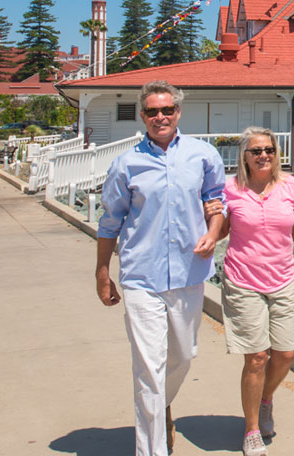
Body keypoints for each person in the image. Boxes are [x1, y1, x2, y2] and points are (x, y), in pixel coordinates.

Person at [95, 81, 226, 456]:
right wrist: (103, 272)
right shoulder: (126, 164)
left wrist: (213, 234)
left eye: (167, 110)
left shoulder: (203, 156)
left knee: (184, 356)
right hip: (141, 275)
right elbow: (110, 221)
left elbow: (216, 203)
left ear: (178, 112)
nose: (160, 117)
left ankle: (161, 406)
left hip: (189, 273)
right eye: (152, 111)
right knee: (148, 369)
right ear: (142, 116)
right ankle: (152, 449)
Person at [218, 126, 294, 456]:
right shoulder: (230, 190)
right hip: (243, 281)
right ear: (244, 156)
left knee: (285, 354)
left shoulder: (290, 186)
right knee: (257, 357)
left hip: (284, 279)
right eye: (256, 151)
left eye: (269, 150)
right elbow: (220, 233)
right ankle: (252, 429)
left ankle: (265, 399)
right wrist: (205, 226)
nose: (264, 156)